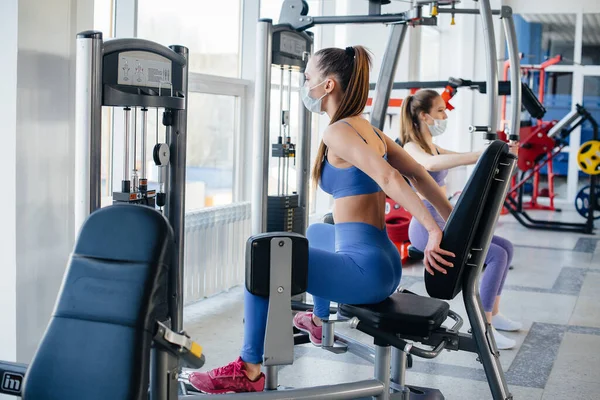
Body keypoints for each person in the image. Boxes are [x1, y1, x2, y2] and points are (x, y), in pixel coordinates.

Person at [188, 46, 456, 394]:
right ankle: (318, 318)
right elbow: (420, 174)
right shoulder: (368, 130)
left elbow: (391, 178)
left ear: (327, 86)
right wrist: (452, 222)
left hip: (365, 273)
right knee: (316, 230)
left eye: (308, 78)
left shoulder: (338, 132)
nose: (305, 84)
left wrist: (435, 230)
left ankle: (249, 368)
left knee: (266, 255)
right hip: (384, 265)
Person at [400, 89, 522, 350]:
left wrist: (503, 154)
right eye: (440, 110)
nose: (446, 115)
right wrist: (484, 153)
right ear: (424, 116)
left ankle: (494, 314)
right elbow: (432, 165)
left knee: (505, 248)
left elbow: (460, 159)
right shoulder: (411, 147)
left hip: (445, 220)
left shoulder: (431, 145)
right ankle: (483, 328)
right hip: (426, 226)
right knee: (494, 255)